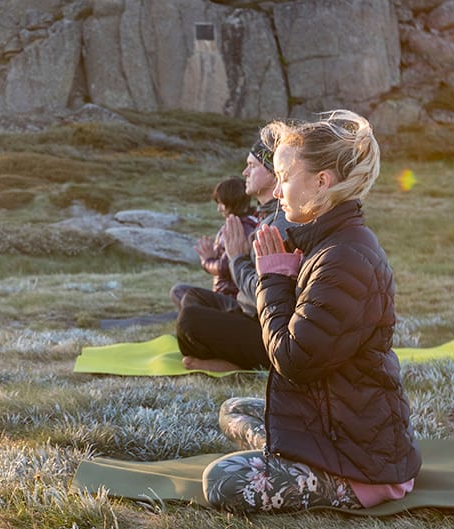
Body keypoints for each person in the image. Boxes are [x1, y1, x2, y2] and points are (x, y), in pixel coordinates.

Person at [202, 110, 421, 513]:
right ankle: (301, 457)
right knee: (234, 410)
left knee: (223, 481)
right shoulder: (329, 243)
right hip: (338, 426)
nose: (279, 192)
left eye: (285, 177)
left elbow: (292, 360)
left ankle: (348, 486)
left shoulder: (345, 259)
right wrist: (279, 273)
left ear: (323, 182)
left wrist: (272, 278)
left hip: (363, 464)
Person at [174, 135, 296, 372]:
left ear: (273, 174)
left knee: (190, 320)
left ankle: (239, 362)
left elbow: (268, 293)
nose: (244, 172)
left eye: (252, 166)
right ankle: (230, 356)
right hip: (247, 311)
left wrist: (237, 257)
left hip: (266, 328)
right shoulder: (265, 216)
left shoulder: (278, 224)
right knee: (191, 298)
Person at [169, 177, 257, 309]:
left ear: (231, 201)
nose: (219, 209)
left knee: (179, 292)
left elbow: (226, 266)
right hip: (232, 294)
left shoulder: (238, 227)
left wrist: (207, 260)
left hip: (232, 297)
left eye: (221, 203)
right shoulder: (249, 222)